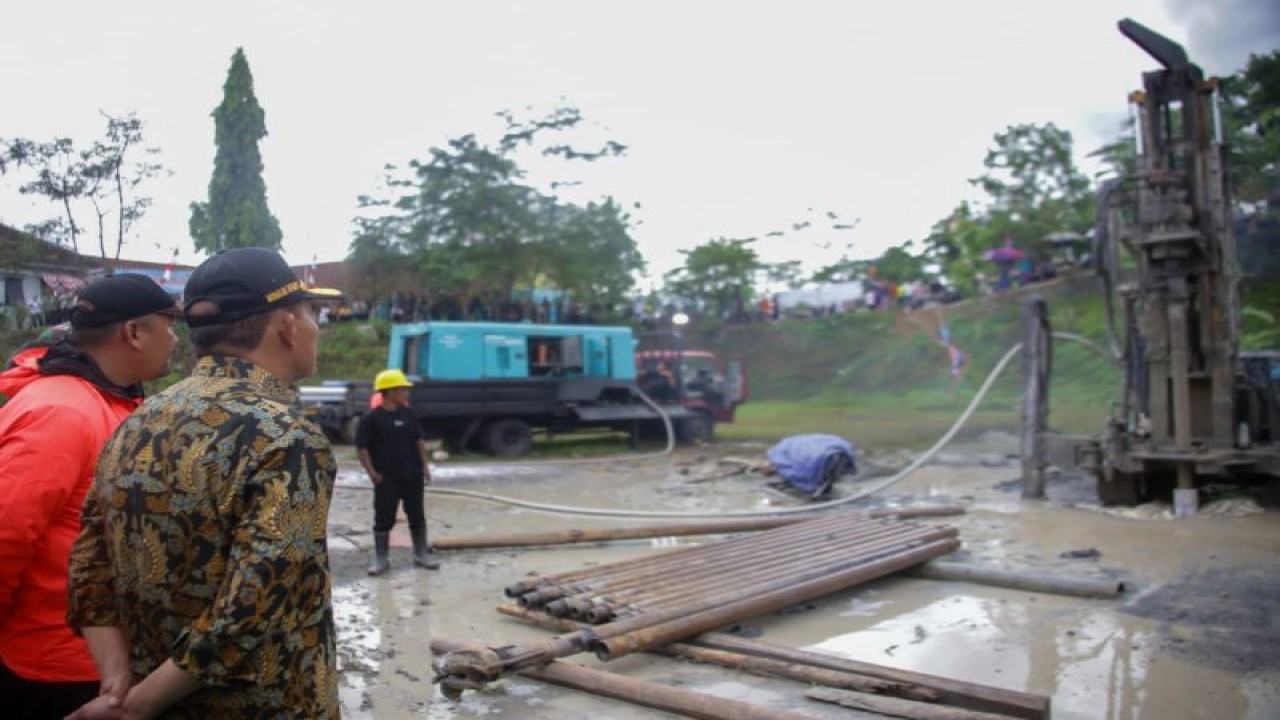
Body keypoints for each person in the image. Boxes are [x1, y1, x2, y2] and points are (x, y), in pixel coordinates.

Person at [65, 247, 343, 719]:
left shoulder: (138, 421)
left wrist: (119, 687)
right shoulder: (285, 438)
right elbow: (257, 603)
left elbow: (89, 566)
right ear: (286, 325)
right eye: (310, 313)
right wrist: (136, 707)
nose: (315, 327)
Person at [0, 274, 180, 719]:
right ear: (134, 333)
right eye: (169, 324)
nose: (176, 338)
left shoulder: (110, 402)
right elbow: (5, 534)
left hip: (97, 656)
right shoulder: (61, 412)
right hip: (52, 664)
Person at [358, 368, 438, 574]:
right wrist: (372, 473)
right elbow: (362, 448)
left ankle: (421, 554)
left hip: (412, 474)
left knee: (417, 515)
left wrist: (425, 467)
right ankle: (381, 559)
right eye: (403, 389)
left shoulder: (409, 414)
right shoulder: (371, 419)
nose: (406, 393)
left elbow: (418, 441)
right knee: (384, 518)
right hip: (386, 477)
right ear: (390, 391)